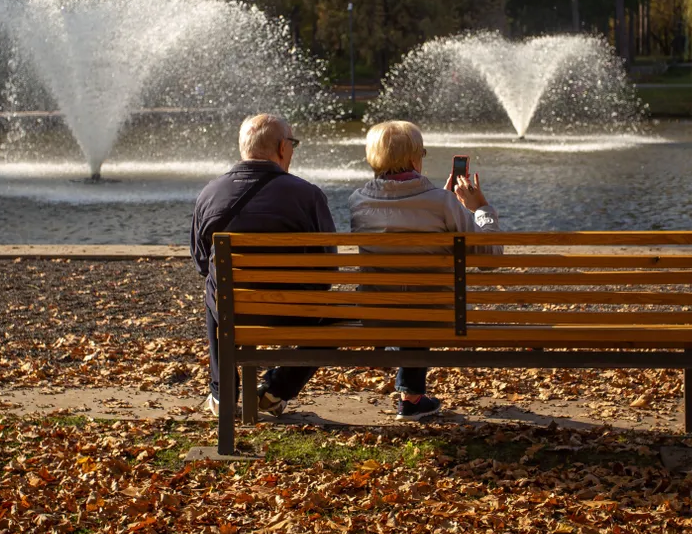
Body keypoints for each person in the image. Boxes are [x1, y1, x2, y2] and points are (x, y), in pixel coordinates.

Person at [349, 120, 501, 421]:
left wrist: (439, 201)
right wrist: (481, 209)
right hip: (437, 313)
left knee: (404, 295)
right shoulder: (442, 203)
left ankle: (412, 396)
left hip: (377, 312)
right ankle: (411, 396)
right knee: (421, 299)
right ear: (413, 158)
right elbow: (490, 258)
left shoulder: (358, 202)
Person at [190, 113, 336, 417]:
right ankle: (276, 389)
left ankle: (222, 393)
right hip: (298, 314)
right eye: (293, 144)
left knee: (213, 288)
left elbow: (202, 262)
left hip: (235, 313)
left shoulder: (209, 194)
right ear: (282, 148)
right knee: (334, 315)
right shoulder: (308, 195)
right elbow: (329, 266)